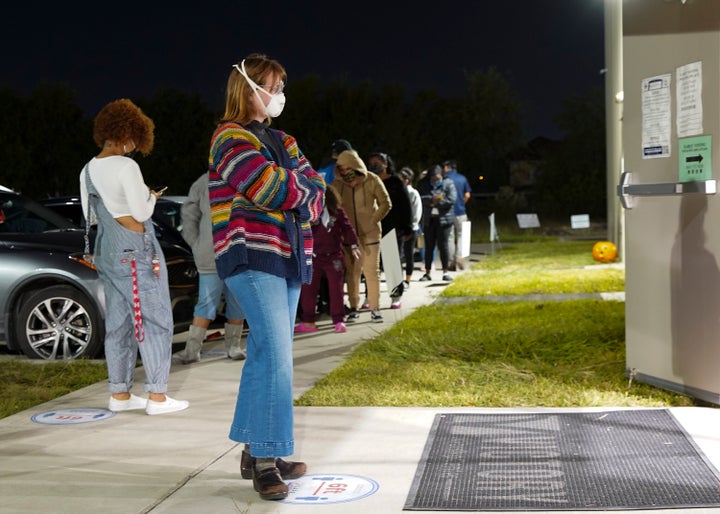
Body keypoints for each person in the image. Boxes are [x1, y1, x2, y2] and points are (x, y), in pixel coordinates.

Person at [208, 53, 324, 501]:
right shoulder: (228, 138)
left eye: (280, 86)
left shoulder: (283, 139)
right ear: (249, 88)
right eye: (272, 86)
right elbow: (267, 186)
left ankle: (255, 447)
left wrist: (298, 190)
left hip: (289, 256)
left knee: (264, 354)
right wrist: (299, 190)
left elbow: (318, 195)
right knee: (277, 355)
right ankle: (265, 460)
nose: (278, 94)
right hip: (252, 255)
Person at [79, 98, 189, 416]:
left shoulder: (87, 170)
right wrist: (151, 198)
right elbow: (141, 213)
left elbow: (93, 217)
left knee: (119, 322)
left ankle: (120, 394)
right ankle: (157, 397)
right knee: (155, 320)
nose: (133, 148)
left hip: (107, 251)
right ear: (129, 134)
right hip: (135, 250)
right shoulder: (128, 166)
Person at [176, 172, 247, 364]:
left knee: (238, 303)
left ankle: (233, 347)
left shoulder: (244, 177)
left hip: (237, 254)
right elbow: (188, 214)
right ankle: (192, 351)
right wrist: (197, 244)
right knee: (206, 304)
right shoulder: (204, 182)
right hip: (210, 255)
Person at [332, 149, 391, 323]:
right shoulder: (338, 185)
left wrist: (373, 220)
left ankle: (375, 308)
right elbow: (333, 207)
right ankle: (353, 308)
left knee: (372, 272)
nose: (344, 172)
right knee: (352, 273)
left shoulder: (372, 179)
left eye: (346, 168)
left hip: (371, 234)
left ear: (354, 165)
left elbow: (386, 203)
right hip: (349, 238)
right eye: (341, 169)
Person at [296, 184, 360, 334]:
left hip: (334, 257)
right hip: (313, 257)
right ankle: (309, 321)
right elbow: (300, 230)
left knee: (336, 289)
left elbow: (348, 228)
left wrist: (354, 245)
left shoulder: (337, 212)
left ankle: (338, 321)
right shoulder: (308, 213)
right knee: (308, 290)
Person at [367, 152, 413, 309]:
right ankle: (369, 296)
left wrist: (407, 227)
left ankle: (396, 296)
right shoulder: (368, 181)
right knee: (371, 265)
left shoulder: (395, 182)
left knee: (392, 263)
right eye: (371, 162)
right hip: (372, 228)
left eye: (377, 162)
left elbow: (406, 205)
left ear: (386, 164)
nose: (373, 165)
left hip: (392, 228)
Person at [417, 164, 457, 282]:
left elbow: (452, 199)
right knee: (429, 246)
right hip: (429, 220)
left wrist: (437, 203)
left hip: (444, 220)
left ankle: (445, 271)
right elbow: (420, 197)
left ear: (442, 177)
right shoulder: (423, 184)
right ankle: (427, 272)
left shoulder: (448, 183)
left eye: (438, 178)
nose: (435, 181)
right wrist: (431, 200)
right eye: (433, 178)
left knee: (443, 246)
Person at [442, 159, 472, 271]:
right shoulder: (462, 178)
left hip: (447, 212)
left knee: (449, 237)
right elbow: (468, 195)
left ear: (447, 167)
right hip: (461, 211)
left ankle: (451, 262)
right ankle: (459, 256)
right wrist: (461, 203)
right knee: (462, 235)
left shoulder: (445, 179)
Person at [399, 167, 422, 285]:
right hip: (399, 228)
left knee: (408, 254)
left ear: (407, 180)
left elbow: (417, 212)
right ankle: (397, 279)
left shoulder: (413, 193)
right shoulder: (398, 192)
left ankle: (407, 279)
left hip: (410, 228)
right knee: (398, 255)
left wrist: (412, 226)